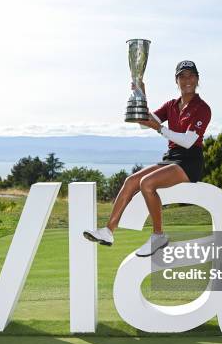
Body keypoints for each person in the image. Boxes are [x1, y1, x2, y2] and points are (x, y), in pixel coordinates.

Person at [83, 60, 211, 257]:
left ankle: (158, 236)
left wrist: (159, 128)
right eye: (182, 76)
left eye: (191, 75)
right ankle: (108, 231)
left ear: (197, 79)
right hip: (171, 158)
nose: (187, 80)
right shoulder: (171, 105)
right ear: (176, 81)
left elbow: (187, 141)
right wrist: (140, 94)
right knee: (131, 181)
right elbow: (145, 122)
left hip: (190, 161)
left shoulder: (202, 108)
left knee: (147, 183)